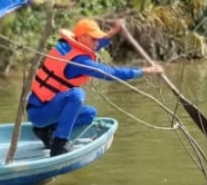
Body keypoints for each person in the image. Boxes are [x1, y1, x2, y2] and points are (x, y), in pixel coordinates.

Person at [26, 18, 163, 156]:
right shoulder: (79, 61)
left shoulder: (68, 46)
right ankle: (59, 144)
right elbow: (110, 73)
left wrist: (113, 32)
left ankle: (46, 131)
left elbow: (94, 45)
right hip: (40, 112)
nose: (97, 42)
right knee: (77, 95)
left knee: (89, 114)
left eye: (98, 38)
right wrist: (145, 71)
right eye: (94, 39)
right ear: (82, 37)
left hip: (46, 107)